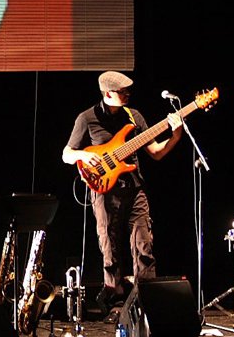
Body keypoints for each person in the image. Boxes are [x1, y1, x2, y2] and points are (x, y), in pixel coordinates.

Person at [62, 71, 182, 308]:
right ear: (107, 94)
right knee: (110, 247)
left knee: (144, 244)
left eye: (128, 90)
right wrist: (84, 155)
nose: (128, 94)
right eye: (122, 91)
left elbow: (156, 152)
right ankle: (114, 299)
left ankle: (147, 300)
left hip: (135, 188)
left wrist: (176, 135)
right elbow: (66, 154)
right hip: (105, 191)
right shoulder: (86, 118)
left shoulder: (134, 116)